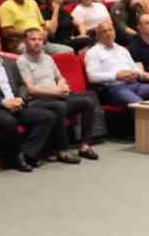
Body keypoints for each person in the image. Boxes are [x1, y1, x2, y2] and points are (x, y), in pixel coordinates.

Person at [0, 30, 64, 172]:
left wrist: (20, 99)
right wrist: (3, 102)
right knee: (10, 122)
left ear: (0, 45)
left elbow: (22, 85)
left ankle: (26, 154)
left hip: (17, 105)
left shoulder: (10, 63)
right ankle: (18, 157)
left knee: (48, 117)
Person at [16, 27, 100, 161]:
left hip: (57, 96)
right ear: (25, 42)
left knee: (87, 102)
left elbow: (59, 77)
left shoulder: (48, 58)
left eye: (40, 39)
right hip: (37, 101)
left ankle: (84, 145)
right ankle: (62, 149)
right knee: (59, 107)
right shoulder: (22, 61)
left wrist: (63, 85)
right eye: (33, 39)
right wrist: (56, 92)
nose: (37, 42)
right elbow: (30, 89)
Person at [83, 21, 149, 105]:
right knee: (138, 103)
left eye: (110, 30)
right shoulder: (93, 52)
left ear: (114, 32)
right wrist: (116, 75)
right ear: (98, 36)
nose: (108, 33)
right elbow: (92, 77)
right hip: (114, 88)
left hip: (134, 84)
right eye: (104, 31)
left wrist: (136, 73)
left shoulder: (122, 50)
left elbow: (134, 67)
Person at [0, 0, 70, 55]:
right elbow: (7, 31)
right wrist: (28, 33)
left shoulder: (32, 3)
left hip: (41, 41)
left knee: (68, 51)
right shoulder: (6, 6)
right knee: (41, 56)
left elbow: (43, 25)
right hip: (22, 43)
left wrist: (45, 33)